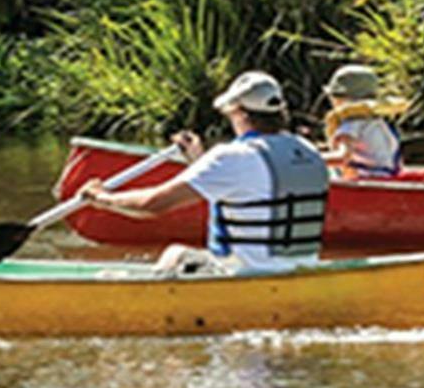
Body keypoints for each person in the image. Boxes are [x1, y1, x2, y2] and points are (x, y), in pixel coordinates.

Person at [80, 71, 330, 275]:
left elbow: (152, 204)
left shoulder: (232, 157)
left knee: (175, 254)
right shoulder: (308, 151)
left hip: (244, 278)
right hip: (301, 272)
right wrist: (198, 162)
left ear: (241, 113)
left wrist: (101, 197)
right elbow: (252, 188)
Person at [320, 63, 405, 180]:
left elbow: (343, 157)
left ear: (338, 98)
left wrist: (313, 159)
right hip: (388, 177)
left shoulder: (351, 125)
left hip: (367, 181)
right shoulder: (379, 122)